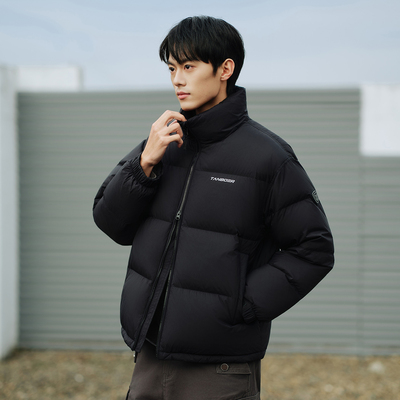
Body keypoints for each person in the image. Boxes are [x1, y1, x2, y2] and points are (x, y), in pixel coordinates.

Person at [93, 15, 334, 400]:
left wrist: (241, 304)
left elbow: (314, 248)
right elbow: (111, 222)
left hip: (221, 369)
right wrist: (144, 164)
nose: (177, 80)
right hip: (150, 355)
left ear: (225, 69)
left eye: (189, 66)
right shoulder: (162, 143)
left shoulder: (269, 157)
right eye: (172, 68)